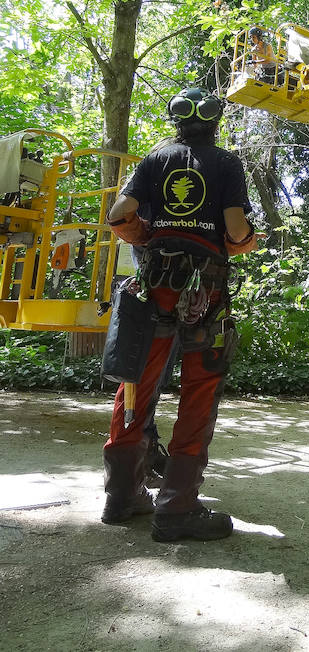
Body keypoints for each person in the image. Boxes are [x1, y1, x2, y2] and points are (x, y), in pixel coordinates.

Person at [101, 87, 257, 542]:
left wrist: (147, 235)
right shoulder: (226, 163)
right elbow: (235, 230)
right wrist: (243, 240)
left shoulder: (155, 158)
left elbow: (118, 214)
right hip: (204, 291)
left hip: (153, 289)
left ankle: (121, 497)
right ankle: (177, 506)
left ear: (177, 123)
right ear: (214, 123)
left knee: (136, 383)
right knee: (199, 390)